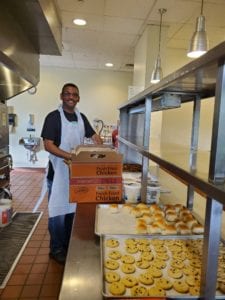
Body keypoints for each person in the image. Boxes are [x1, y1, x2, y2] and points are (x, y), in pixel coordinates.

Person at [41, 83, 103, 264]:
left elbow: (94, 136)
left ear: (78, 98)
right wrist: (71, 156)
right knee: (58, 213)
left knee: (71, 212)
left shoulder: (81, 117)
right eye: (67, 94)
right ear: (61, 96)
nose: (71, 97)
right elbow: (48, 145)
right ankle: (56, 248)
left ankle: (67, 245)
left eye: (74, 94)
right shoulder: (53, 117)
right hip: (58, 174)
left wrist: (102, 149)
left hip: (77, 175)